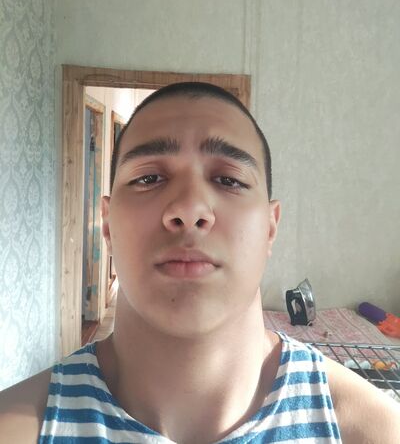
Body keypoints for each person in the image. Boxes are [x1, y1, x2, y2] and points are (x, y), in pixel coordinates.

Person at [0, 82, 399, 443]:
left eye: (229, 180)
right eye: (148, 178)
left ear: (270, 228)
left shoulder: (374, 431)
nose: (189, 209)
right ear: (107, 224)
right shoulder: (15, 428)